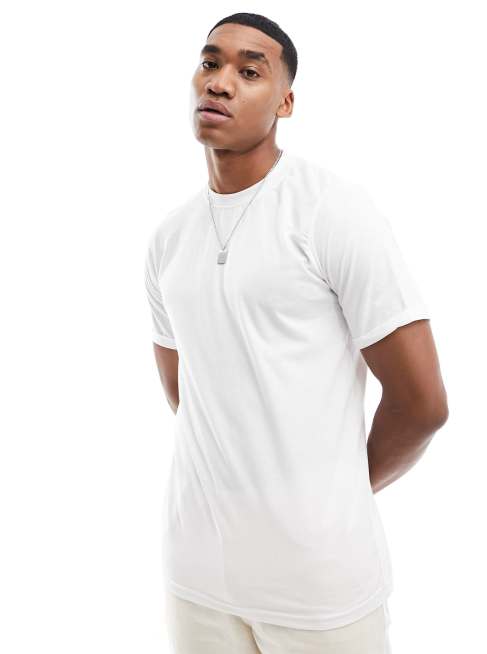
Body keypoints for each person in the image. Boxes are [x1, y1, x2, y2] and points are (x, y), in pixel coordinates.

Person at [144, 12, 449, 654]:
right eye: (210, 63)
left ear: (285, 102)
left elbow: (422, 403)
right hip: (196, 579)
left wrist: (335, 493)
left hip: (319, 589)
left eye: (249, 71)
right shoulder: (169, 239)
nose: (220, 82)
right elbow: (187, 393)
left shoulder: (331, 212)